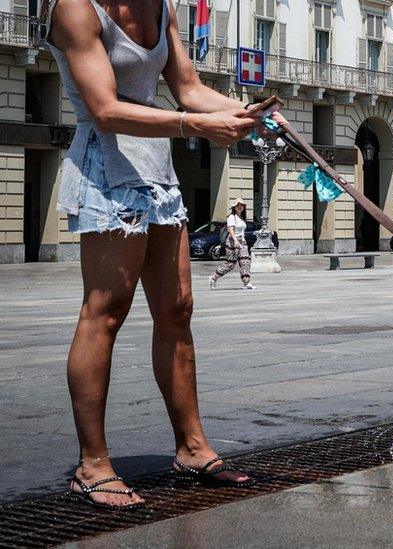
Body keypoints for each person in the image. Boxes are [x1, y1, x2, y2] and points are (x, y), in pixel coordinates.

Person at [44, 0, 258, 508]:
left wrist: (246, 112)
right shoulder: (76, 9)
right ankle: (92, 465)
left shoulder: (163, 8)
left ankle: (192, 447)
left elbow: (188, 87)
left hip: (156, 170)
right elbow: (105, 109)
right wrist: (194, 127)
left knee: (177, 309)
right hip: (106, 165)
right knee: (106, 311)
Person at [209, 199, 254, 290]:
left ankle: (247, 283)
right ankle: (214, 277)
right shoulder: (231, 217)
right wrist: (235, 240)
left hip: (242, 242)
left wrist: (242, 241)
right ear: (234, 207)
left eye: (241, 205)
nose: (240, 207)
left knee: (245, 262)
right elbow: (230, 229)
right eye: (238, 205)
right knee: (230, 264)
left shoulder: (241, 218)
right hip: (232, 241)